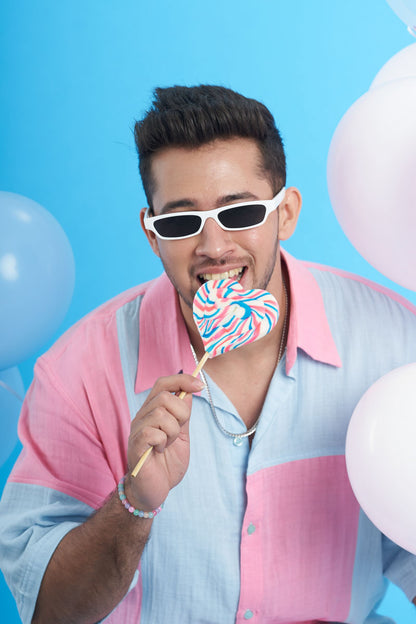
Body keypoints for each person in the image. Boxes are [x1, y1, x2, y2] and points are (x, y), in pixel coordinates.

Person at [1, 85, 416, 624]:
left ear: (285, 213)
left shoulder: (391, 341)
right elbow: (50, 610)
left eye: (239, 212)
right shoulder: (77, 370)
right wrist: (135, 502)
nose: (214, 247)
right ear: (152, 235)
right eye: (180, 222)